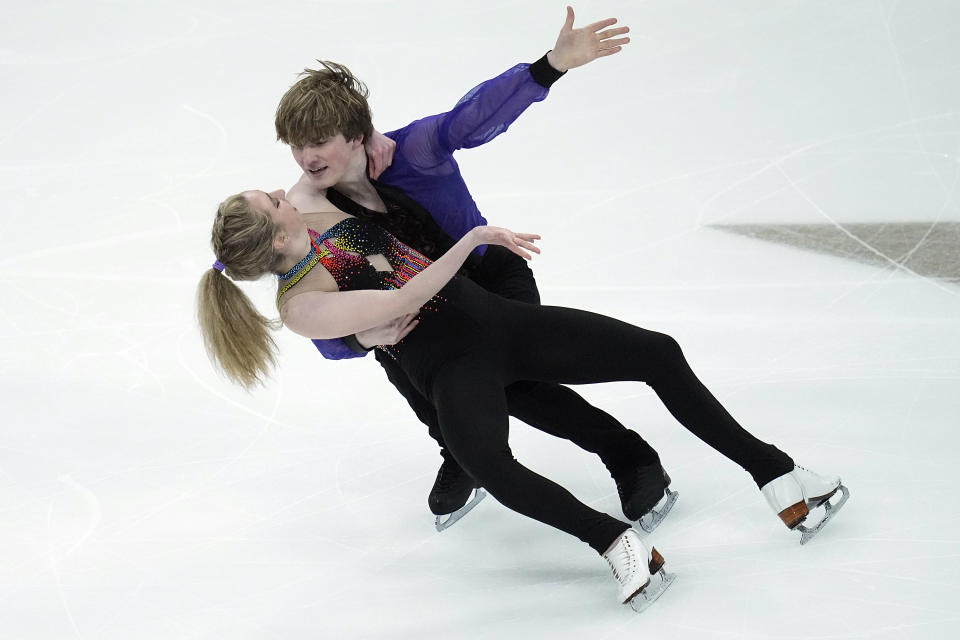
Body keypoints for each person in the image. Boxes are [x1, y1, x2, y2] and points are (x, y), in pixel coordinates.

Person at [196, 189, 849, 609]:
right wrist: (470, 243)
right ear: (275, 241)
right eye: (271, 203)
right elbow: (402, 300)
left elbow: (344, 166)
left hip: (504, 324)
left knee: (657, 352)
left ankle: (781, 477)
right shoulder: (302, 304)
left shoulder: (310, 206)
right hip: (451, 367)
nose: (283, 193)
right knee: (488, 463)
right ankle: (614, 543)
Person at [273, 7, 678, 531]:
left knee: (515, 383)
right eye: (296, 145)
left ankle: (630, 455)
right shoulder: (314, 213)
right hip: (428, 310)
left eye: (320, 140)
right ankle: (459, 448)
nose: (305, 157)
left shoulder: (410, 151)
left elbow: (468, 119)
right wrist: (357, 341)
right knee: (405, 363)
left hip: (490, 277)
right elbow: (314, 301)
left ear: (356, 135)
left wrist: (548, 67)